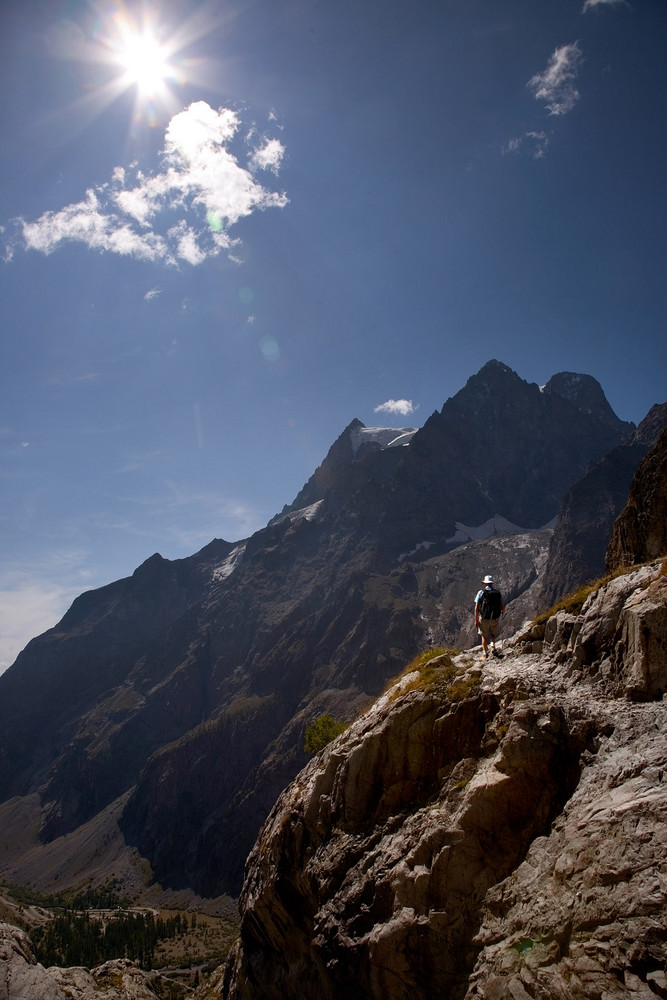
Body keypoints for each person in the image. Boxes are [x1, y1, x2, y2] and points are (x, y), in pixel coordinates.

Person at [474, 575, 505, 659]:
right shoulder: (498, 593)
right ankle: (492, 646)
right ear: (492, 583)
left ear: (485, 583)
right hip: (494, 617)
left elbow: (476, 608)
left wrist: (476, 620)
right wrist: (500, 613)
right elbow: (503, 606)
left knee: (484, 636)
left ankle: (484, 654)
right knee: (492, 634)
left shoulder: (481, 593)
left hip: (484, 618)